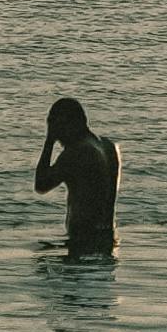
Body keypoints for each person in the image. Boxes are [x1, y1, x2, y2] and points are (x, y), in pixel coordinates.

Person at [36, 96, 119, 256]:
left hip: (83, 238)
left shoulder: (77, 152)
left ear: (69, 123)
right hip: (107, 239)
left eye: (56, 127)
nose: (57, 136)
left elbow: (41, 185)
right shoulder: (108, 147)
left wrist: (49, 141)